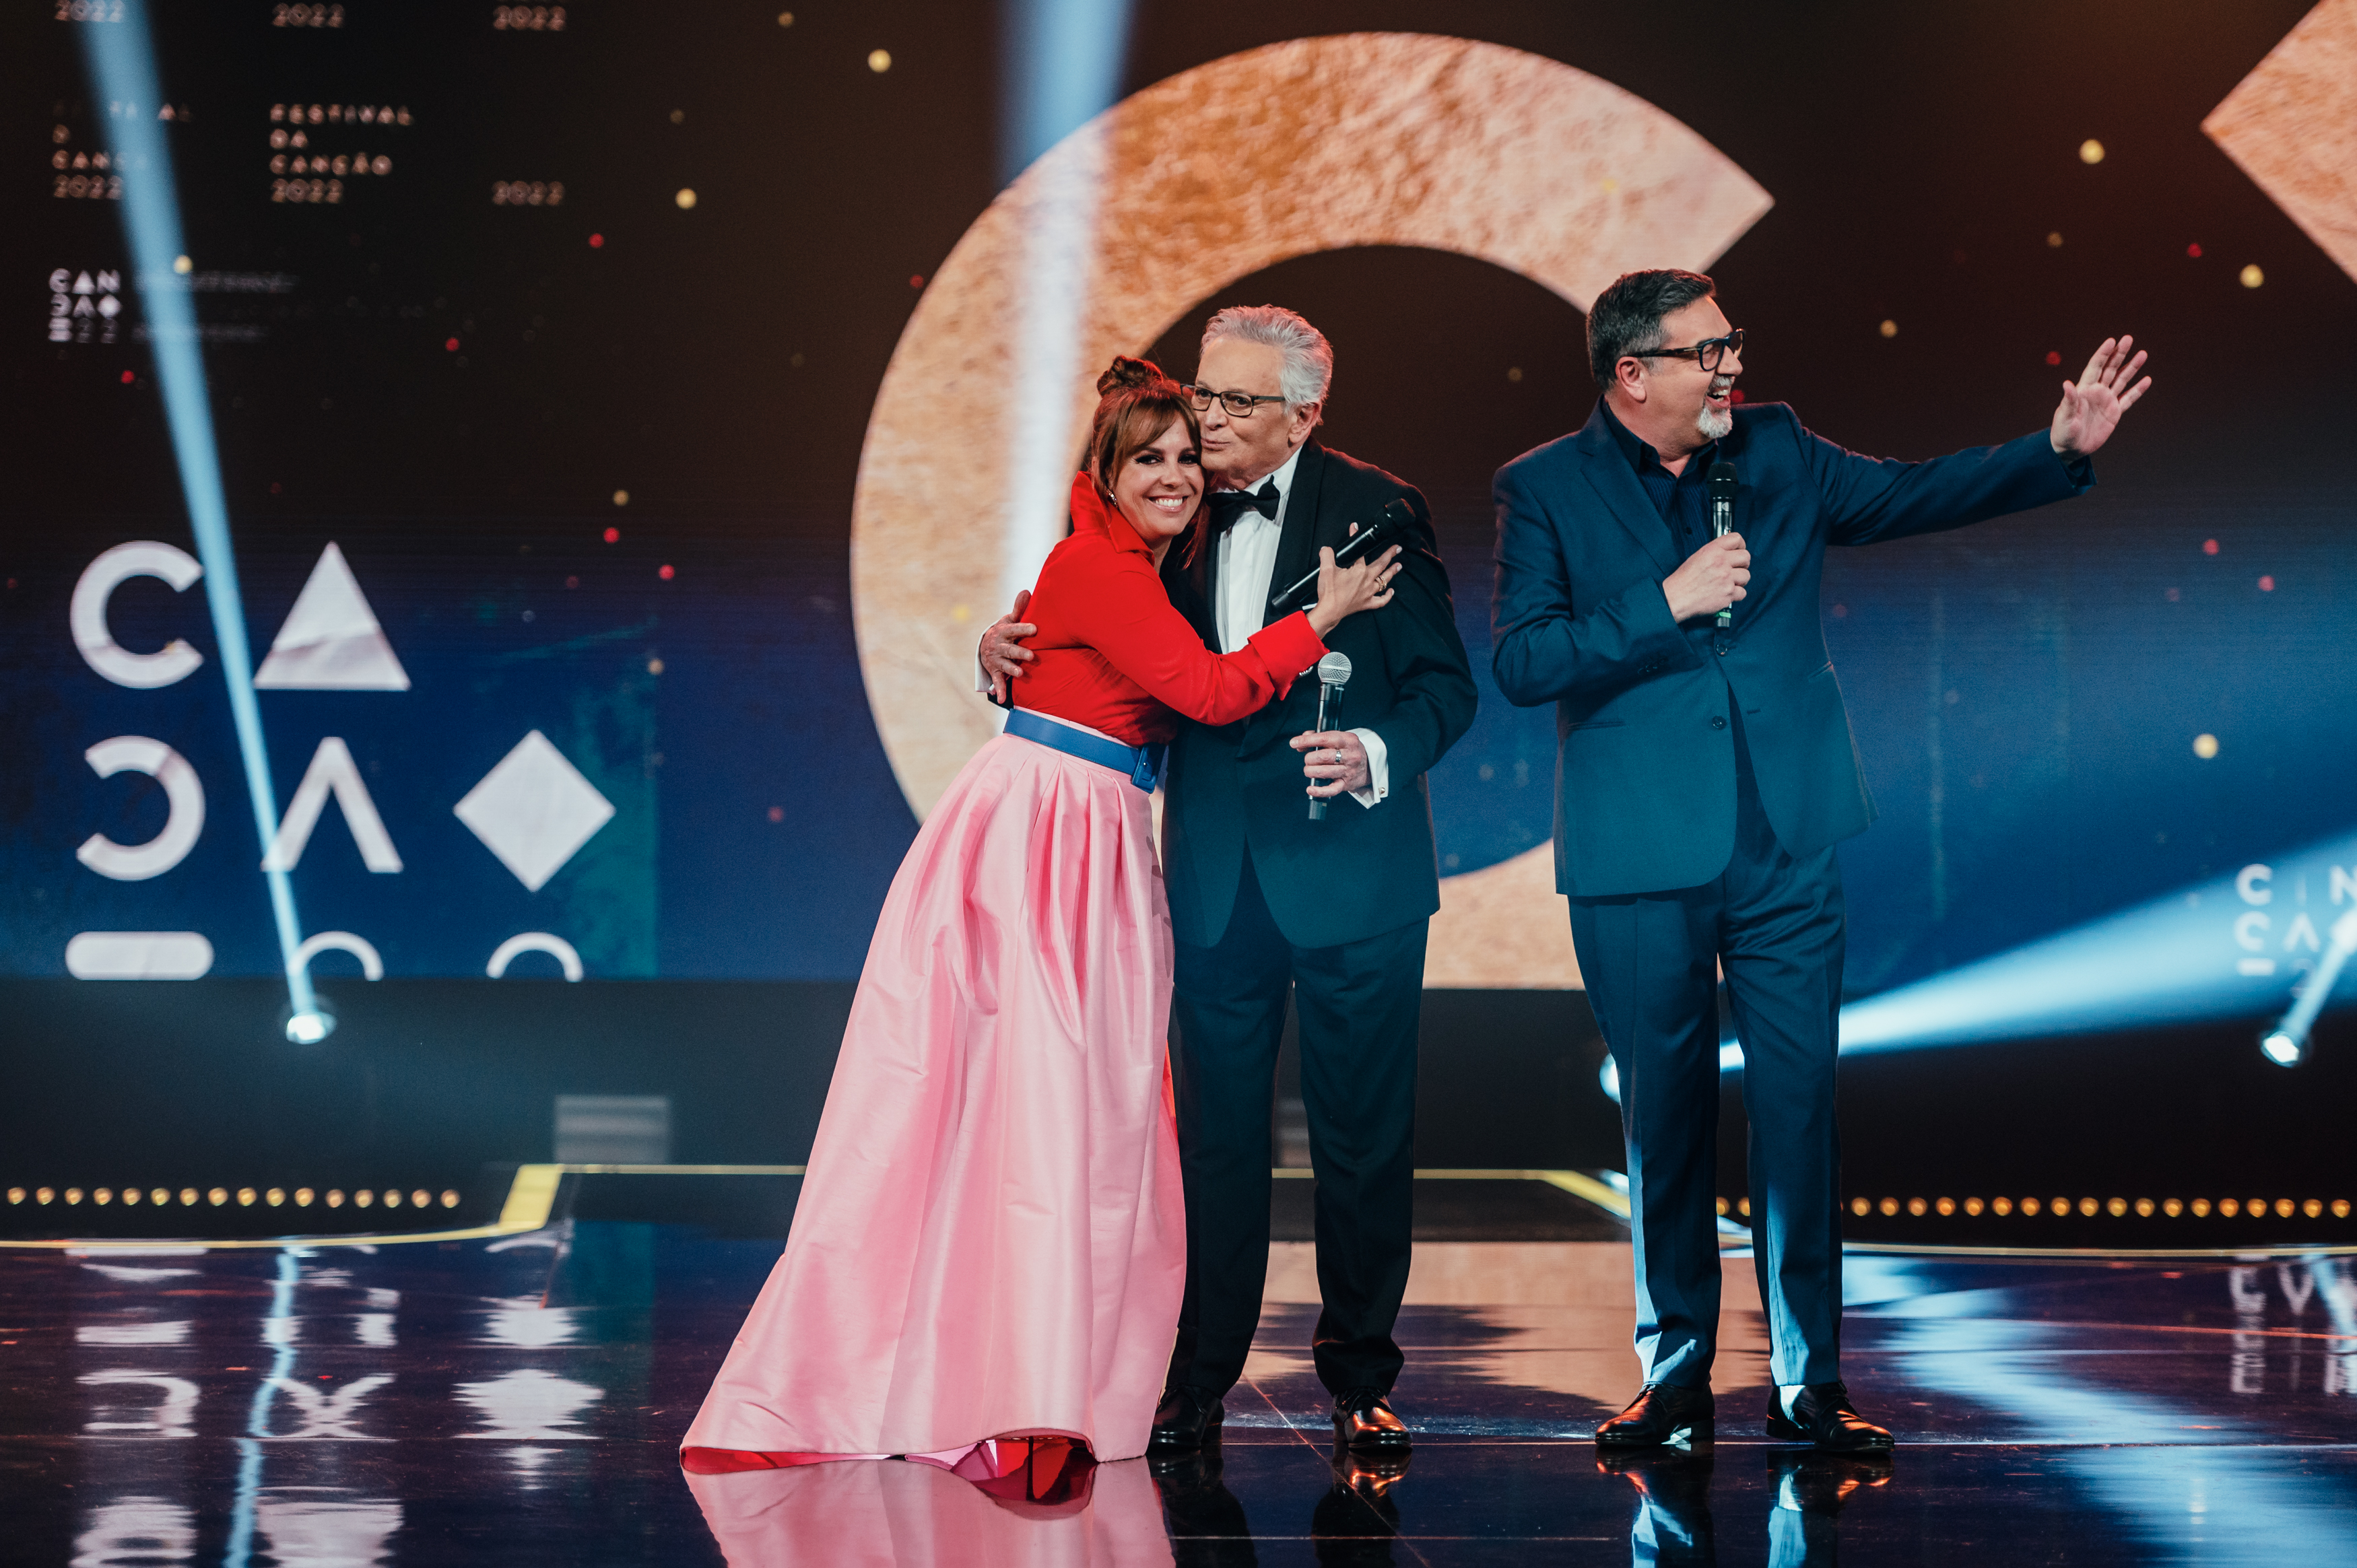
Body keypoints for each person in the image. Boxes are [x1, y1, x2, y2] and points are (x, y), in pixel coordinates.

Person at [681, 357, 1401, 1467]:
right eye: (1147, 459)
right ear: (1104, 474)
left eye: (1186, 456)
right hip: (1047, 837)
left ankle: (1030, 1367)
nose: (1174, 475)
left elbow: (1106, 664)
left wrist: (1007, 644)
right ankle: (1006, 1381)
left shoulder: (1139, 564)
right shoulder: (1101, 567)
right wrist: (1325, 616)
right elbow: (1208, 692)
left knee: (1060, 1109)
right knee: (1033, 1102)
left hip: (1092, 832)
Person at [1491, 269, 2150, 1452]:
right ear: (1632, 374)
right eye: (1707, 353)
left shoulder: (1779, 447)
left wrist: (2053, 449)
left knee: (1798, 1109)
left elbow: (1909, 493)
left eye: (1732, 344)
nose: (1732, 368)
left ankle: (1811, 1380)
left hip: (1785, 837)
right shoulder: (1542, 486)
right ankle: (1675, 1371)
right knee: (1665, 1117)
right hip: (1639, 849)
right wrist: (1665, 601)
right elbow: (1526, 659)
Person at [983, 306, 1478, 1454]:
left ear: (1304, 414)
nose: (1203, 422)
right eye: (1203, 394)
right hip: (1212, 875)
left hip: (1355, 873)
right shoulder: (1169, 503)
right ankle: (1195, 1376)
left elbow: (1445, 689)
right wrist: (1002, 647)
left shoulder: (1377, 509)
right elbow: (1087, 615)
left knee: (1362, 1140)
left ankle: (1361, 1377)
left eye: (1234, 402)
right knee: (1210, 1145)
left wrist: (1376, 752)